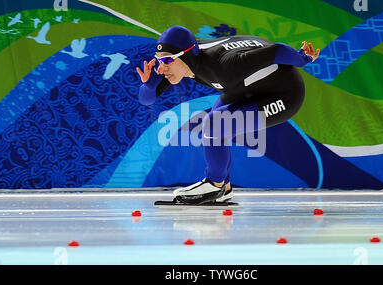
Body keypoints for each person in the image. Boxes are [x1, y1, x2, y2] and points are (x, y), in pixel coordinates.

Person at [136, 26, 320, 205]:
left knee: (217, 122)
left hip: (285, 94)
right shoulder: (181, 59)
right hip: (246, 85)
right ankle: (224, 187)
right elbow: (146, 99)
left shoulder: (226, 65)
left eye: (167, 61)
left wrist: (303, 58)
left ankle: (214, 184)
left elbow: (276, 51)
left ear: (186, 56)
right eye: (159, 60)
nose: (161, 67)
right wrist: (150, 86)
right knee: (216, 120)